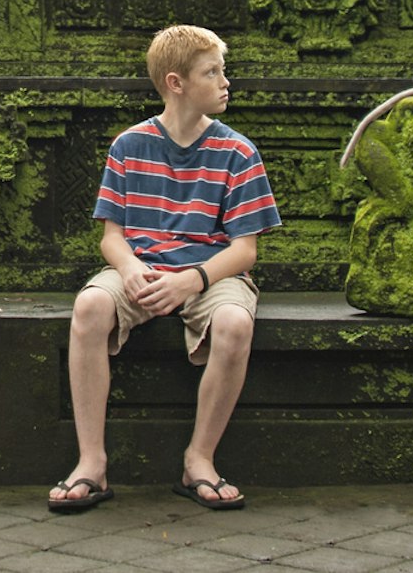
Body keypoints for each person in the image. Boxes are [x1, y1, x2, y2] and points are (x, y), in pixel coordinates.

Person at [49, 25, 281, 513]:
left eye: (223, 70)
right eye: (211, 72)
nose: (225, 82)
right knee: (89, 305)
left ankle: (199, 459)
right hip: (142, 267)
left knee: (235, 323)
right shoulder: (129, 146)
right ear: (176, 83)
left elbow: (245, 251)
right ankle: (91, 462)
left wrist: (192, 280)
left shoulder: (238, 152)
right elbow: (111, 237)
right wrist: (131, 268)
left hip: (210, 273)